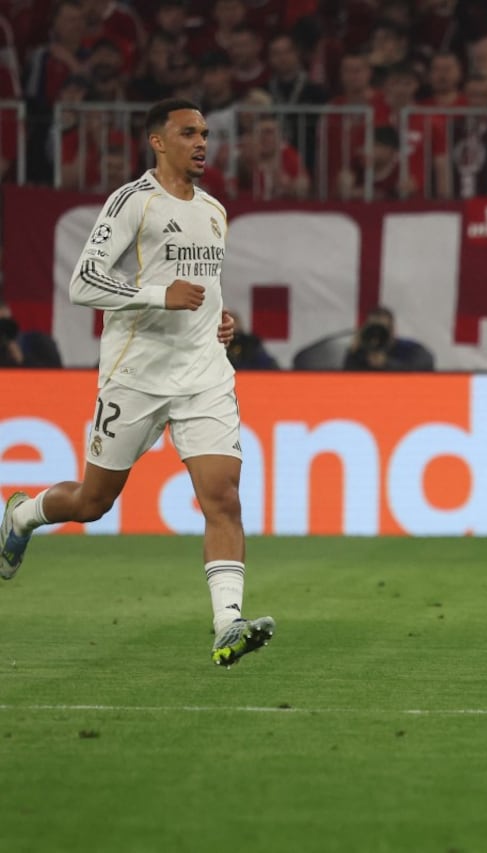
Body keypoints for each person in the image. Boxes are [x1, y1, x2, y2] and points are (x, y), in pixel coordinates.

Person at [0, 98, 276, 667]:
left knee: (222, 497)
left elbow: (202, 284)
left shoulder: (215, 211)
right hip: (136, 376)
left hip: (203, 376)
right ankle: (22, 514)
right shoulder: (133, 203)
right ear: (158, 141)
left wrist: (219, 320)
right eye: (188, 133)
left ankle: (228, 623)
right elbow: (83, 283)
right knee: (92, 501)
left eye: (204, 133)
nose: (202, 143)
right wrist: (158, 296)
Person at [343, 305, 435, 371]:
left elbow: (426, 362)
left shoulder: (408, 348)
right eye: (373, 330)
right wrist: (353, 353)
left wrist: (387, 363)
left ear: (392, 331)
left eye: (382, 330)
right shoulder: (360, 352)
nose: (377, 335)